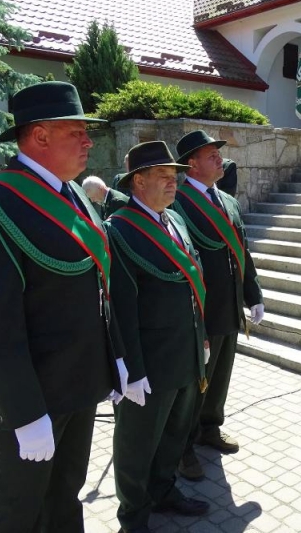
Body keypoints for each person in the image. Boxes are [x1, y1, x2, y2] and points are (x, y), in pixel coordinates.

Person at [0, 81, 128, 532]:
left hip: (81, 384)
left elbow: (97, 290)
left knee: (65, 497)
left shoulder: (74, 195)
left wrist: (116, 361)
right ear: (40, 136)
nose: (89, 140)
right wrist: (24, 413)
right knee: (19, 506)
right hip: (35, 395)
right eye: (77, 131)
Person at [106, 141, 211, 533]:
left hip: (184, 354)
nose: (173, 183)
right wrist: (131, 369)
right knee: (136, 443)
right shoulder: (120, 231)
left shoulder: (175, 220)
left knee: (174, 434)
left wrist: (201, 338)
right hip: (149, 363)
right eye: (164, 177)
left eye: (175, 177)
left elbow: (189, 283)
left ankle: (164, 490)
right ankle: (133, 516)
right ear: (138, 180)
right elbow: (121, 308)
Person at [172, 130, 264, 480]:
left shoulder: (227, 201)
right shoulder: (178, 204)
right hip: (200, 311)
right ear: (192, 164)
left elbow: (241, 252)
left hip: (229, 308)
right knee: (194, 383)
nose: (219, 161)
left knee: (220, 376)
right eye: (211, 156)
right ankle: (182, 447)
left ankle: (210, 427)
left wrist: (252, 294)